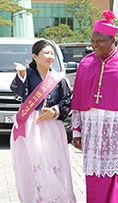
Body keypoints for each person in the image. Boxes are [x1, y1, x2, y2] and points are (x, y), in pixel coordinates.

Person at [71, 10, 118, 203]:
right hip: (92, 129)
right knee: (94, 173)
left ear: (112, 40)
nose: (94, 44)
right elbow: (78, 102)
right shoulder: (85, 63)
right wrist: (77, 131)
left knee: (116, 173)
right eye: (93, 40)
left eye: (99, 41)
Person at [10, 40, 76, 203]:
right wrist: (21, 74)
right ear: (35, 56)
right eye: (46, 53)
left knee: (54, 162)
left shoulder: (59, 79)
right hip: (31, 126)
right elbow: (17, 91)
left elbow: (68, 101)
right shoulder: (28, 74)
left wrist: (55, 111)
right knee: (33, 163)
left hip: (52, 126)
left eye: (52, 53)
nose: (50, 57)